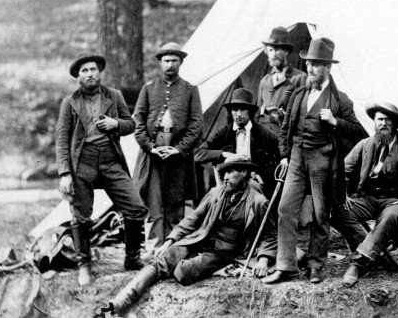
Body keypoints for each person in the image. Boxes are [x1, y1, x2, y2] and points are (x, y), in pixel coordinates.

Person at [106, 161, 277, 315]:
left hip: (224, 252)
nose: (224, 178)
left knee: (183, 272)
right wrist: (170, 241)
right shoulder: (216, 193)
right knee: (163, 259)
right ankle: (119, 303)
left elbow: (270, 234)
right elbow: (193, 218)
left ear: (244, 173)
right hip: (200, 240)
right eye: (223, 173)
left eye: (230, 173)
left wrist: (263, 260)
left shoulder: (258, 202)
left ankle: (221, 269)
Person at [263, 37, 365, 284]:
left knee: (321, 215)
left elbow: (356, 130)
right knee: (285, 209)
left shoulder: (341, 99)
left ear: (328, 67)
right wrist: (285, 155)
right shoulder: (299, 93)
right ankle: (285, 265)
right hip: (297, 158)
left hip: (323, 160)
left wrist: (335, 122)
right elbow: (287, 126)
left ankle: (316, 266)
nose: (310, 68)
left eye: (317, 64)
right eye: (308, 63)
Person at [55, 52, 148, 286]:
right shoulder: (70, 102)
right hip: (82, 163)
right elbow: (61, 139)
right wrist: (65, 173)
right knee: (81, 217)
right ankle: (84, 266)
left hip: (110, 160)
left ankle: (132, 258)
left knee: (136, 208)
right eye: (84, 71)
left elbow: (131, 124)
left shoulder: (114, 96)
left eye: (93, 70)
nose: (89, 74)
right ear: (78, 76)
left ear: (100, 72)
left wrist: (116, 124)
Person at [333, 101, 398, 285]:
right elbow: (343, 172)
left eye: (388, 120)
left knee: (390, 216)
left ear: (395, 124)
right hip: (367, 199)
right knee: (338, 210)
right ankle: (374, 248)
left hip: (396, 201)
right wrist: (343, 193)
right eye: (380, 119)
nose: (383, 124)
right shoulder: (364, 145)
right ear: (374, 122)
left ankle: (358, 263)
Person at [133, 42, 203, 251]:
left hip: (178, 156)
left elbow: (196, 125)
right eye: (166, 61)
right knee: (153, 203)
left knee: (175, 201)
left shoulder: (190, 90)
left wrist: (179, 149)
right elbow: (138, 121)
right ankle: (153, 247)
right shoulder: (148, 89)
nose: (170, 65)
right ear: (160, 63)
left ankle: (172, 247)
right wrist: (150, 147)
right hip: (152, 155)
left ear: (181, 63)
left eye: (174, 60)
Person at [194, 88, 280, 196]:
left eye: (243, 109)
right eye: (235, 109)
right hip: (229, 182)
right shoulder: (224, 133)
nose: (238, 114)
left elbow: (282, 159)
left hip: (253, 183)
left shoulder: (264, 134)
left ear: (250, 111)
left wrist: (263, 175)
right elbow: (198, 154)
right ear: (231, 112)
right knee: (212, 197)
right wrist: (222, 154)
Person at [256, 26, 307, 135]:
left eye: (278, 49)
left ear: (286, 52)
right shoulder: (264, 81)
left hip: (285, 138)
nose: (273, 54)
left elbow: (304, 115)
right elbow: (257, 114)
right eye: (270, 50)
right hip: (263, 139)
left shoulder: (300, 78)